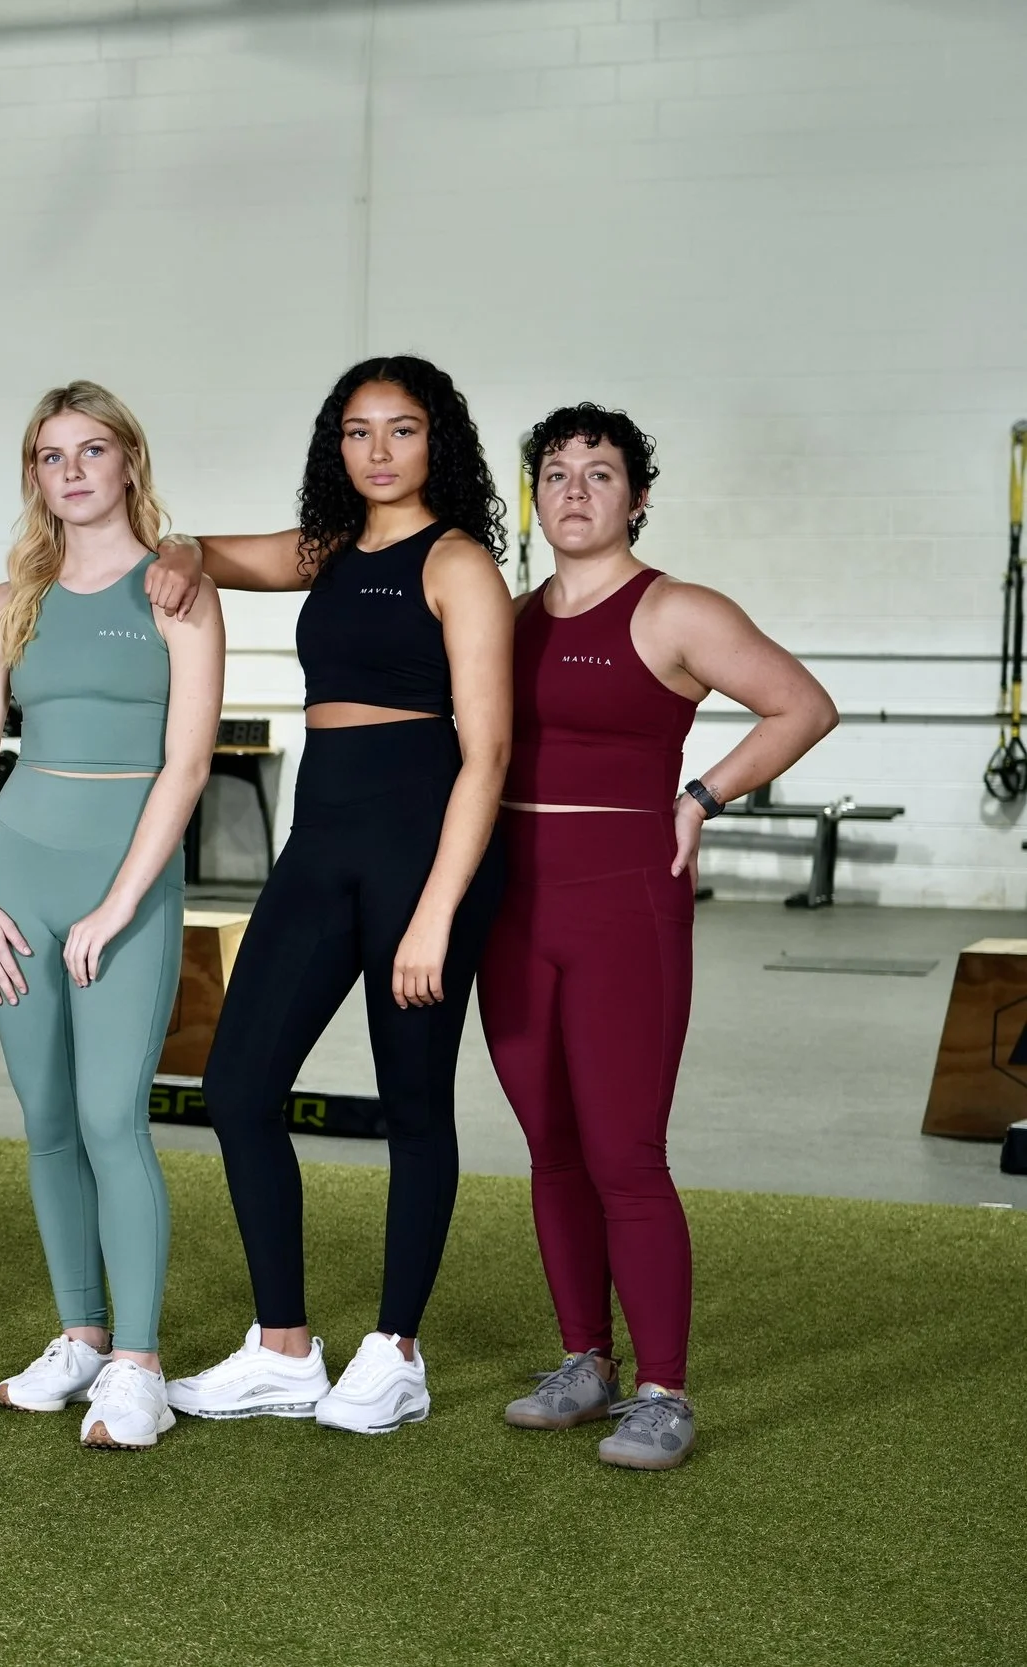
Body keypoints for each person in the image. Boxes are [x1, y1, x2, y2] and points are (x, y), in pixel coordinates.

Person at [154, 354, 513, 1435]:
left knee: (413, 1104)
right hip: (322, 842)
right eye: (357, 431)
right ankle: (283, 1347)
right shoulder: (327, 550)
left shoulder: (459, 565)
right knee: (235, 1081)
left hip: (424, 846)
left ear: (435, 441)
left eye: (400, 430)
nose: (378, 450)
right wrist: (175, 549)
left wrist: (439, 911)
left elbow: (487, 753)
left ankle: (396, 1347)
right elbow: (210, 550)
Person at [483, 404, 834, 1471]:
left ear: (637, 496)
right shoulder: (503, 616)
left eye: (599, 473)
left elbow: (800, 705)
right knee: (549, 1145)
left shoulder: (674, 609)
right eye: (555, 472)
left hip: (621, 902)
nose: (575, 490)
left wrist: (704, 793)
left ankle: (664, 1388)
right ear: (534, 496)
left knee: (623, 1151)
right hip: (512, 904)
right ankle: (583, 1357)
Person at [0, 382, 222, 1450]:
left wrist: (118, 901)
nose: (72, 469)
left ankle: (140, 1364)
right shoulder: (6, 602)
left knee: (114, 1117)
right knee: (48, 1119)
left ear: (127, 462)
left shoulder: (175, 592)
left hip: (128, 877)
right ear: (35, 476)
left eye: (91, 448)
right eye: (51, 455)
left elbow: (187, 762)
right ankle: (81, 1332)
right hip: (18, 870)